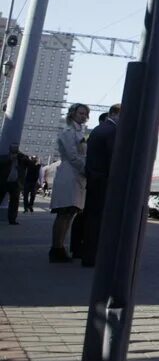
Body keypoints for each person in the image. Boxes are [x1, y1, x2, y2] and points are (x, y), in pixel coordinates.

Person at [80, 103, 120, 267]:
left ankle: (88, 254)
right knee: (98, 220)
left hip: (96, 179)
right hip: (103, 180)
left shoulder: (100, 129)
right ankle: (92, 256)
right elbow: (114, 157)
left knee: (92, 218)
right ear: (115, 114)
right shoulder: (111, 131)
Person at [49, 103, 89, 262]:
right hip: (69, 174)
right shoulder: (68, 132)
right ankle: (56, 248)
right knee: (63, 213)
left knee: (69, 213)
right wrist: (86, 170)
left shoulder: (79, 132)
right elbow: (72, 156)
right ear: (72, 113)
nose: (84, 116)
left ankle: (59, 248)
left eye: (86, 114)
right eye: (81, 113)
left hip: (75, 176)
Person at [1, 145, 20, 225]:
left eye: (16, 151)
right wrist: (10, 159)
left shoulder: (20, 159)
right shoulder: (4, 157)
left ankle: (12, 219)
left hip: (14, 183)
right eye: (13, 151)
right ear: (10, 150)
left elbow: (29, 165)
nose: (15, 153)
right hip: (3, 182)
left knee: (14, 202)